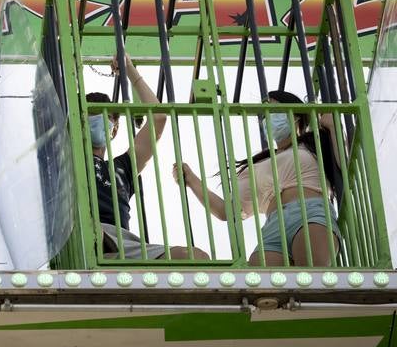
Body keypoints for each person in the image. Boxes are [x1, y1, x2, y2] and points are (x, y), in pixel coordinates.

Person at [174, 90, 341, 267]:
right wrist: (191, 180)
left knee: (311, 282)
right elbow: (227, 211)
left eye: (274, 110)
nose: (267, 118)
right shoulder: (261, 162)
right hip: (273, 225)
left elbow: (341, 163)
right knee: (263, 290)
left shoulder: (313, 143)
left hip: (309, 211)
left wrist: (332, 126)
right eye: (264, 113)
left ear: (295, 115)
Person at [87, 56, 207, 260]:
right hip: (87, 234)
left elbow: (158, 118)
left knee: (195, 257)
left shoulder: (122, 166)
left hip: (122, 242)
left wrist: (129, 71)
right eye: (92, 114)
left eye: (107, 117)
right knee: (92, 238)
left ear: (114, 129)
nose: (99, 120)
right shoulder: (65, 159)